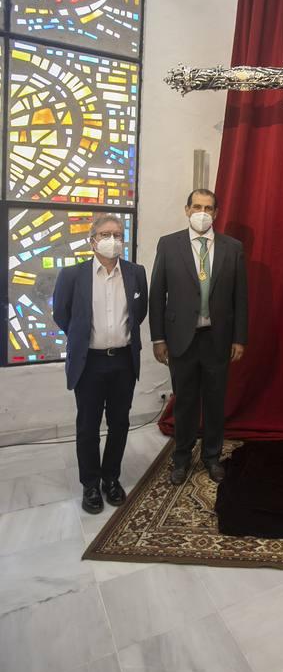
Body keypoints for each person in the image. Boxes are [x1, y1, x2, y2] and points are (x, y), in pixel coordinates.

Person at [149, 189, 248, 485]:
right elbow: (157, 295)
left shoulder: (233, 248)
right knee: (185, 402)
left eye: (208, 207)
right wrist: (158, 338)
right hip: (181, 339)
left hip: (217, 338)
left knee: (216, 402)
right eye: (196, 207)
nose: (202, 212)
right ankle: (181, 458)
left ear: (216, 213)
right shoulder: (168, 245)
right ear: (187, 210)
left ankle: (212, 457)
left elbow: (240, 298)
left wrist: (239, 338)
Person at [53, 214, 148, 514]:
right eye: (105, 234)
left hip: (123, 361)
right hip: (89, 363)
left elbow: (139, 313)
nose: (112, 240)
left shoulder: (136, 273)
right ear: (92, 240)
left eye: (118, 235)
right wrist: (83, 338)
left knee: (120, 423)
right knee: (88, 426)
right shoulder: (72, 275)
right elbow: (62, 315)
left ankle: (111, 478)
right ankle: (90, 484)